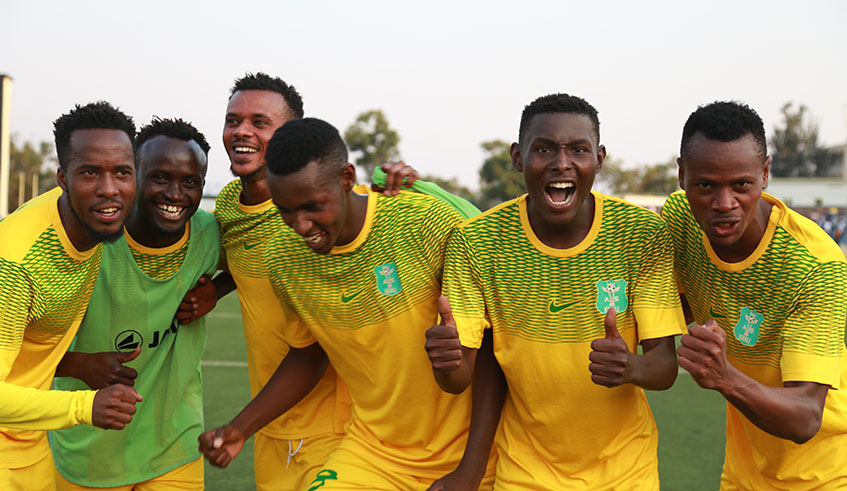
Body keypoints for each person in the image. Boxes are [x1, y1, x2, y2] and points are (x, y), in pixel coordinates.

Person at [198, 117, 495, 490]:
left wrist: (470, 470)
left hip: (473, 454)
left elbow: (493, 351)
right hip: (375, 451)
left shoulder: (425, 222)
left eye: (312, 206)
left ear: (346, 178)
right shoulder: (283, 258)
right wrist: (241, 428)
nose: (301, 225)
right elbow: (307, 355)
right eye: (286, 211)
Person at [426, 94, 685, 490]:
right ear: (517, 157)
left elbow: (664, 368)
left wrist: (630, 367)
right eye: (544, 149)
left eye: (577, 150)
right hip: (525, 472)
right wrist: (445, 362)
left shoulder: (641, 234)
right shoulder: (477, 241)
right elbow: (460, 379)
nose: (561, 163)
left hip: (625, 473)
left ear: (599, 158)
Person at [176, 72, 418, 490]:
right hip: (272, 425)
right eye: (233, 120)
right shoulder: (230, 210)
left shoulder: (332, 207)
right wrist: (219, 287)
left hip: (342, 426)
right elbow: (249, 257)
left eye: (259, 122)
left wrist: (409, 185)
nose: (242, 132)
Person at [663, 101, 847, 489]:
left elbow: (805, 418)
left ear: (765, 174)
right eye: (706, 185)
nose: (723, 204)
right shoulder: (680, 220)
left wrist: (725, 376)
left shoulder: (813, 267)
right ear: (682, 176)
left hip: (825, 475)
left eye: (741, 185)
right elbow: (666, 307)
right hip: (742, 474)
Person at [49, 118, 218, 489]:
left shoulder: (208, 234)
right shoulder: (88, 242)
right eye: (159, 177)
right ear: (133, 175)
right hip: (88, 449)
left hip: (175, 444)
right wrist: (78, 364)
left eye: (190, 182)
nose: (175, 194)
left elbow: (264, 252)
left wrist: (217, 290)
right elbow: (21, 349)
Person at [0, 101, 142, 490]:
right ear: (63, 178)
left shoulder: (94, 219)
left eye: (122, 173)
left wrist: (75, 363)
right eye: (90, 173)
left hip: (33, 444)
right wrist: (84, 406)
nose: (109, 189)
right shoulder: (15, 263)